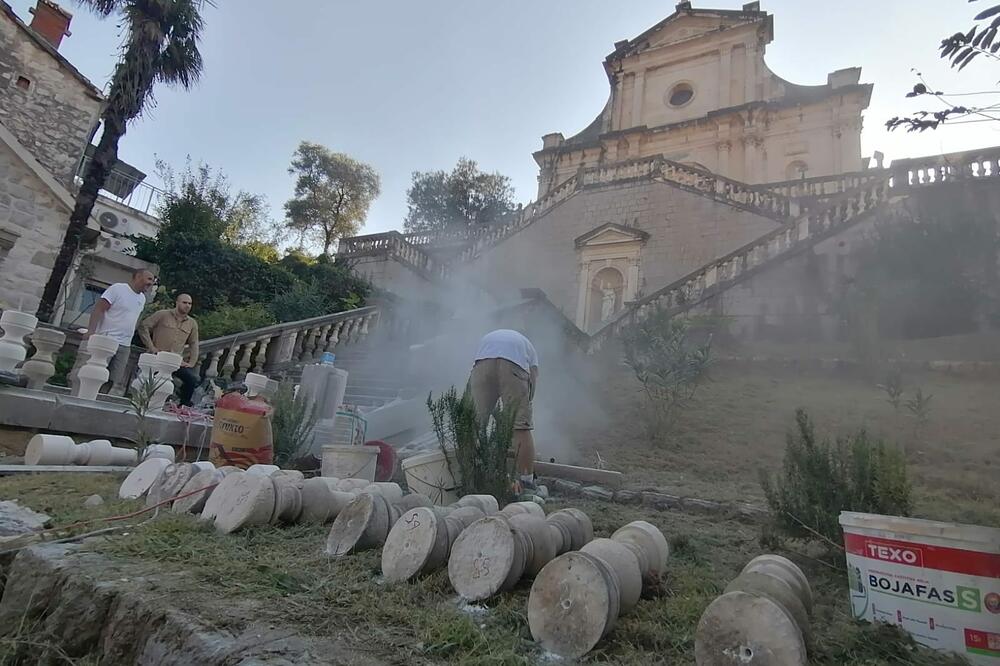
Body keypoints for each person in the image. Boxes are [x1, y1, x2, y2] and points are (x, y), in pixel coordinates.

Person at [468, 329, 539, 493]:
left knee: (472, 422)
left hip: (482, 362)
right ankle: (527, 482)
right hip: (512, 363)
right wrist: (525, 405)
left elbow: (479, 370)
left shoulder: (491, 337)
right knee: (520, 426)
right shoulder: (529, 348)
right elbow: (533, 378)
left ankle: (469, 473)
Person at [84, 268, 155, 394]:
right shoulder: (118, 289)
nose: (151, 282)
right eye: (149, 279)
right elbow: (99, 309)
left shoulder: (142, 299)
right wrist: (91, 331)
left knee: (113, 378)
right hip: (107, 338)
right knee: (96, 373)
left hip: (125, 345)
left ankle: (100, 399)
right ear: (138, 277)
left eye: (153, 280)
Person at [137, 293, 200, 406]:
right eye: (184, 302)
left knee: (191, 380)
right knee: (149, 382)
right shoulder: (163, 314)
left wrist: (191, 362)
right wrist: (151, 347)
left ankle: (183, 406)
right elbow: (144, 326)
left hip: (174, 361)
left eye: (190, 303)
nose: (187, 306)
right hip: (157, 357)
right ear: (177, 303)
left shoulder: (192, 323)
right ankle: (143, 402)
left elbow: (194, 343)